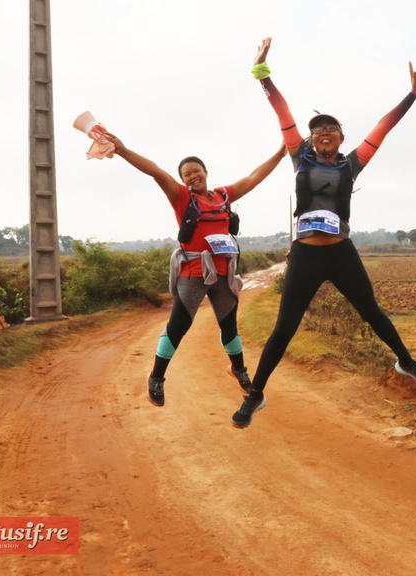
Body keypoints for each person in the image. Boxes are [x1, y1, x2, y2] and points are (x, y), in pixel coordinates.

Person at [232, 37, 416, 429]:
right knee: (284, 328)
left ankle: (406, 362)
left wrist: (411, 96)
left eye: (331, 128)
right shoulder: (298, 156)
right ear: (309, 139)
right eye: (317, 129)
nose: (323, 132)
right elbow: (282, 111)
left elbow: (383, 129)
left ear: (341, 138)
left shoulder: (353, 165)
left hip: (341, 252)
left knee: (371, 311)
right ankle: (255, 395)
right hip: (306, 254)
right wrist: (262, 75)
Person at [105, 131, 286, 407]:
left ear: (205, 172)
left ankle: (238, 370)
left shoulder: (223, 196)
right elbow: (155, 172)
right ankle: (156, 376)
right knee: (178, 325)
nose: (192, 176)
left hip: (224, 272)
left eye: (196, 171)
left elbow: (253, 178)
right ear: (183, 180)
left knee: (229, 326)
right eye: (187, 174)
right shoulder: (181, 198)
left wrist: (281, 153)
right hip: (192, 271)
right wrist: (122, 150)